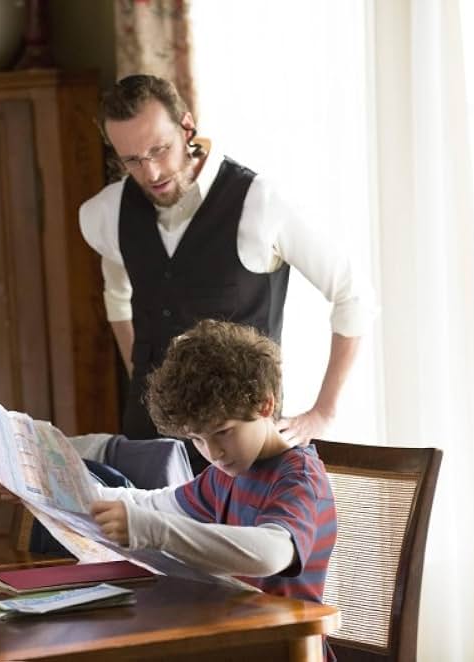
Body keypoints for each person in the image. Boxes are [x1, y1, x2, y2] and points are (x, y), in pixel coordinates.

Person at [79, 74, 375, 473]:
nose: (150, 173)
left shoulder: (261, 203)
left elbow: (352, 294)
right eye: (131, 159)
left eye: (159, 149)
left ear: (187, 126)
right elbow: (117, 297)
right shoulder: (105, 214)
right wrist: (143, 380)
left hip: (243, 453)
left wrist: (323, 413)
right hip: (148, 445)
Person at [0, 320, 336, 660]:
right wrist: (43, 487)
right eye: (197, 439)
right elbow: (152, 504)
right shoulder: (226, 474)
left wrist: (154, 531)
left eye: (223, 432)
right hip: (231, 637)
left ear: (264, 404)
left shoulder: (299, 478)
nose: (213, 453)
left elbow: (273, 554)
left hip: (284, 647)